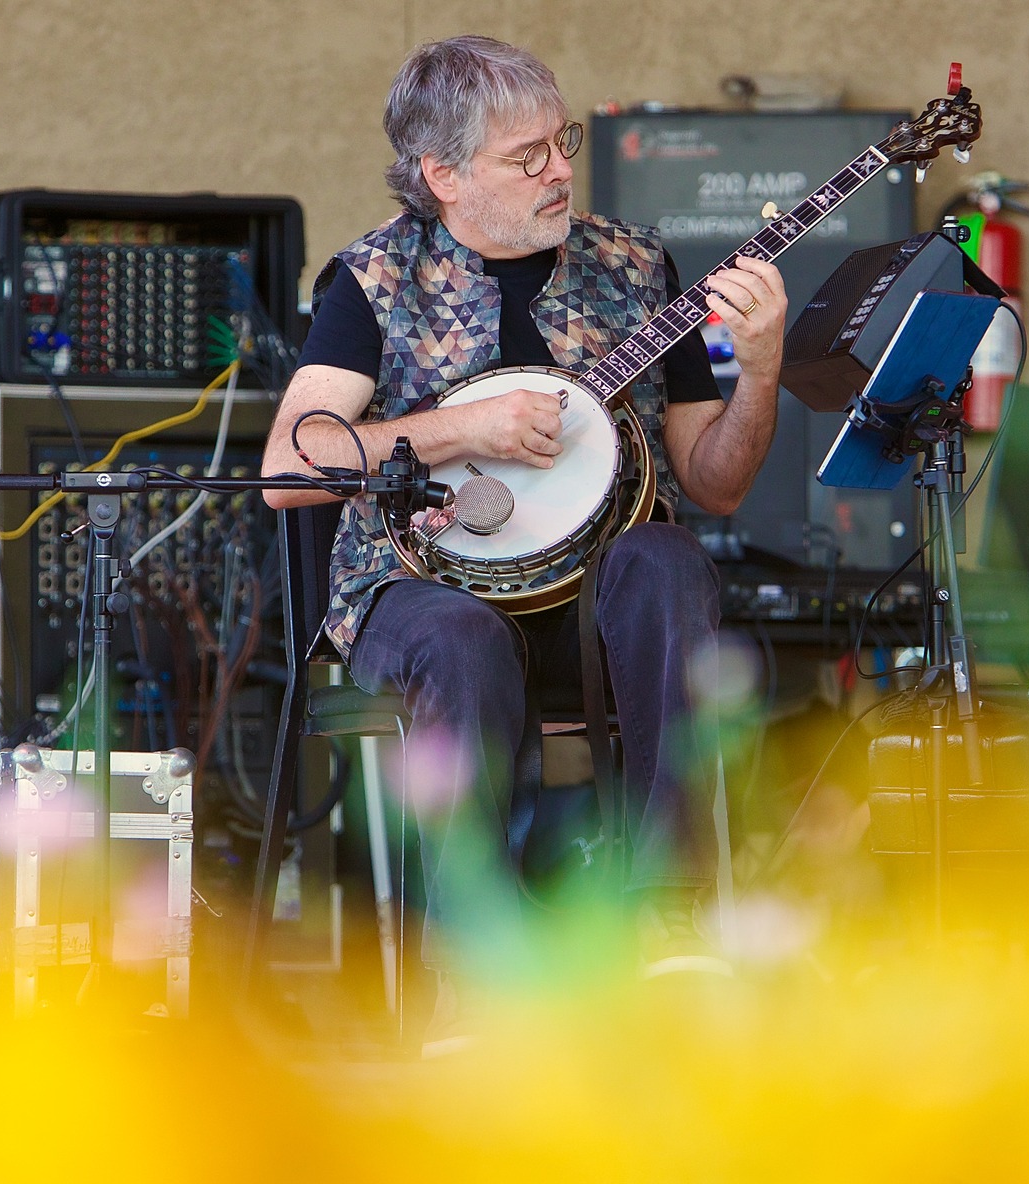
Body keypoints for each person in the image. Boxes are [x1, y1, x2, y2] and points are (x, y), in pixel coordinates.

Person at [261, 35, 783, 1027]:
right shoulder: (373, 281)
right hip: (425, 597)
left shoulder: (633, 267)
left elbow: (713, 483)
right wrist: (459, 427)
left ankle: (664, 921)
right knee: (461, 638)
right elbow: (288, 467)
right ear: (441, 175)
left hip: (597, 602)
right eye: (525, 155)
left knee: (670, 556)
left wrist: (756, 370)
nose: (559, 170)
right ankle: (477, 970)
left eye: (562, 142)